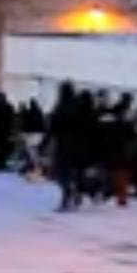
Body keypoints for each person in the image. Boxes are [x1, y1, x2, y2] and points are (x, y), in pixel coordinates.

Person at [47, 83, 83, 212]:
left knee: (61, 173)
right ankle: (75, 193)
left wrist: (44, 143)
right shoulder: (78, 106)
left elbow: (52, 126)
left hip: (62, 143)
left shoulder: (60, 107)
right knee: (72, 171)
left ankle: (66, 198)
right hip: (77, 143)